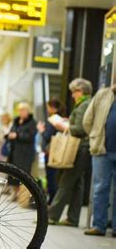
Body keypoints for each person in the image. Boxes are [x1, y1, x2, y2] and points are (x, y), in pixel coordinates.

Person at [47, 78, 92, 227]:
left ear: (81, 91)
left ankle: (51, 216)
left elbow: (81, 128)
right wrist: (68, 122)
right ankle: (73, 218)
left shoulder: (84, 105)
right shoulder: (84, 104)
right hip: (83, 147)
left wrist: (63, 126)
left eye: (74, 92)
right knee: (78, 183)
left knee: (66, 181)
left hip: (80, 147)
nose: (72, 95)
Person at [82, 84, 116, 237]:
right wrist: (95, 135)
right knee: (100, 188)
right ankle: (99, 226)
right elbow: (87, 120)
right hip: (102, 150)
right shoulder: (102, 94)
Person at [5, 102, 37, 198]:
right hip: (14, 151)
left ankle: (21, 195)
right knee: (12, 172)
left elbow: (31, 136)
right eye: (19, 110)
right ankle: (14, 192)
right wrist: (8, 135)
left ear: (28, 111)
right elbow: (11, 131)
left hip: (25, 153)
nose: (21, 112)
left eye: (23, 110)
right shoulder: (16, 120)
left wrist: (17, 135)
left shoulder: (32, 122)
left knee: (22, 173)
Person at [37, 98, 65, 205]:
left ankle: (52, 200)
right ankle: (53, 199)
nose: (47, 109)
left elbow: (47, 136)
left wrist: (41, 130)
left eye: (49, 107)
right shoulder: (60, 119)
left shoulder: (53, 119)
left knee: (51, 177)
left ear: (53, 108)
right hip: (56, 151)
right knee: (53, 176)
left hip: (50, 152)